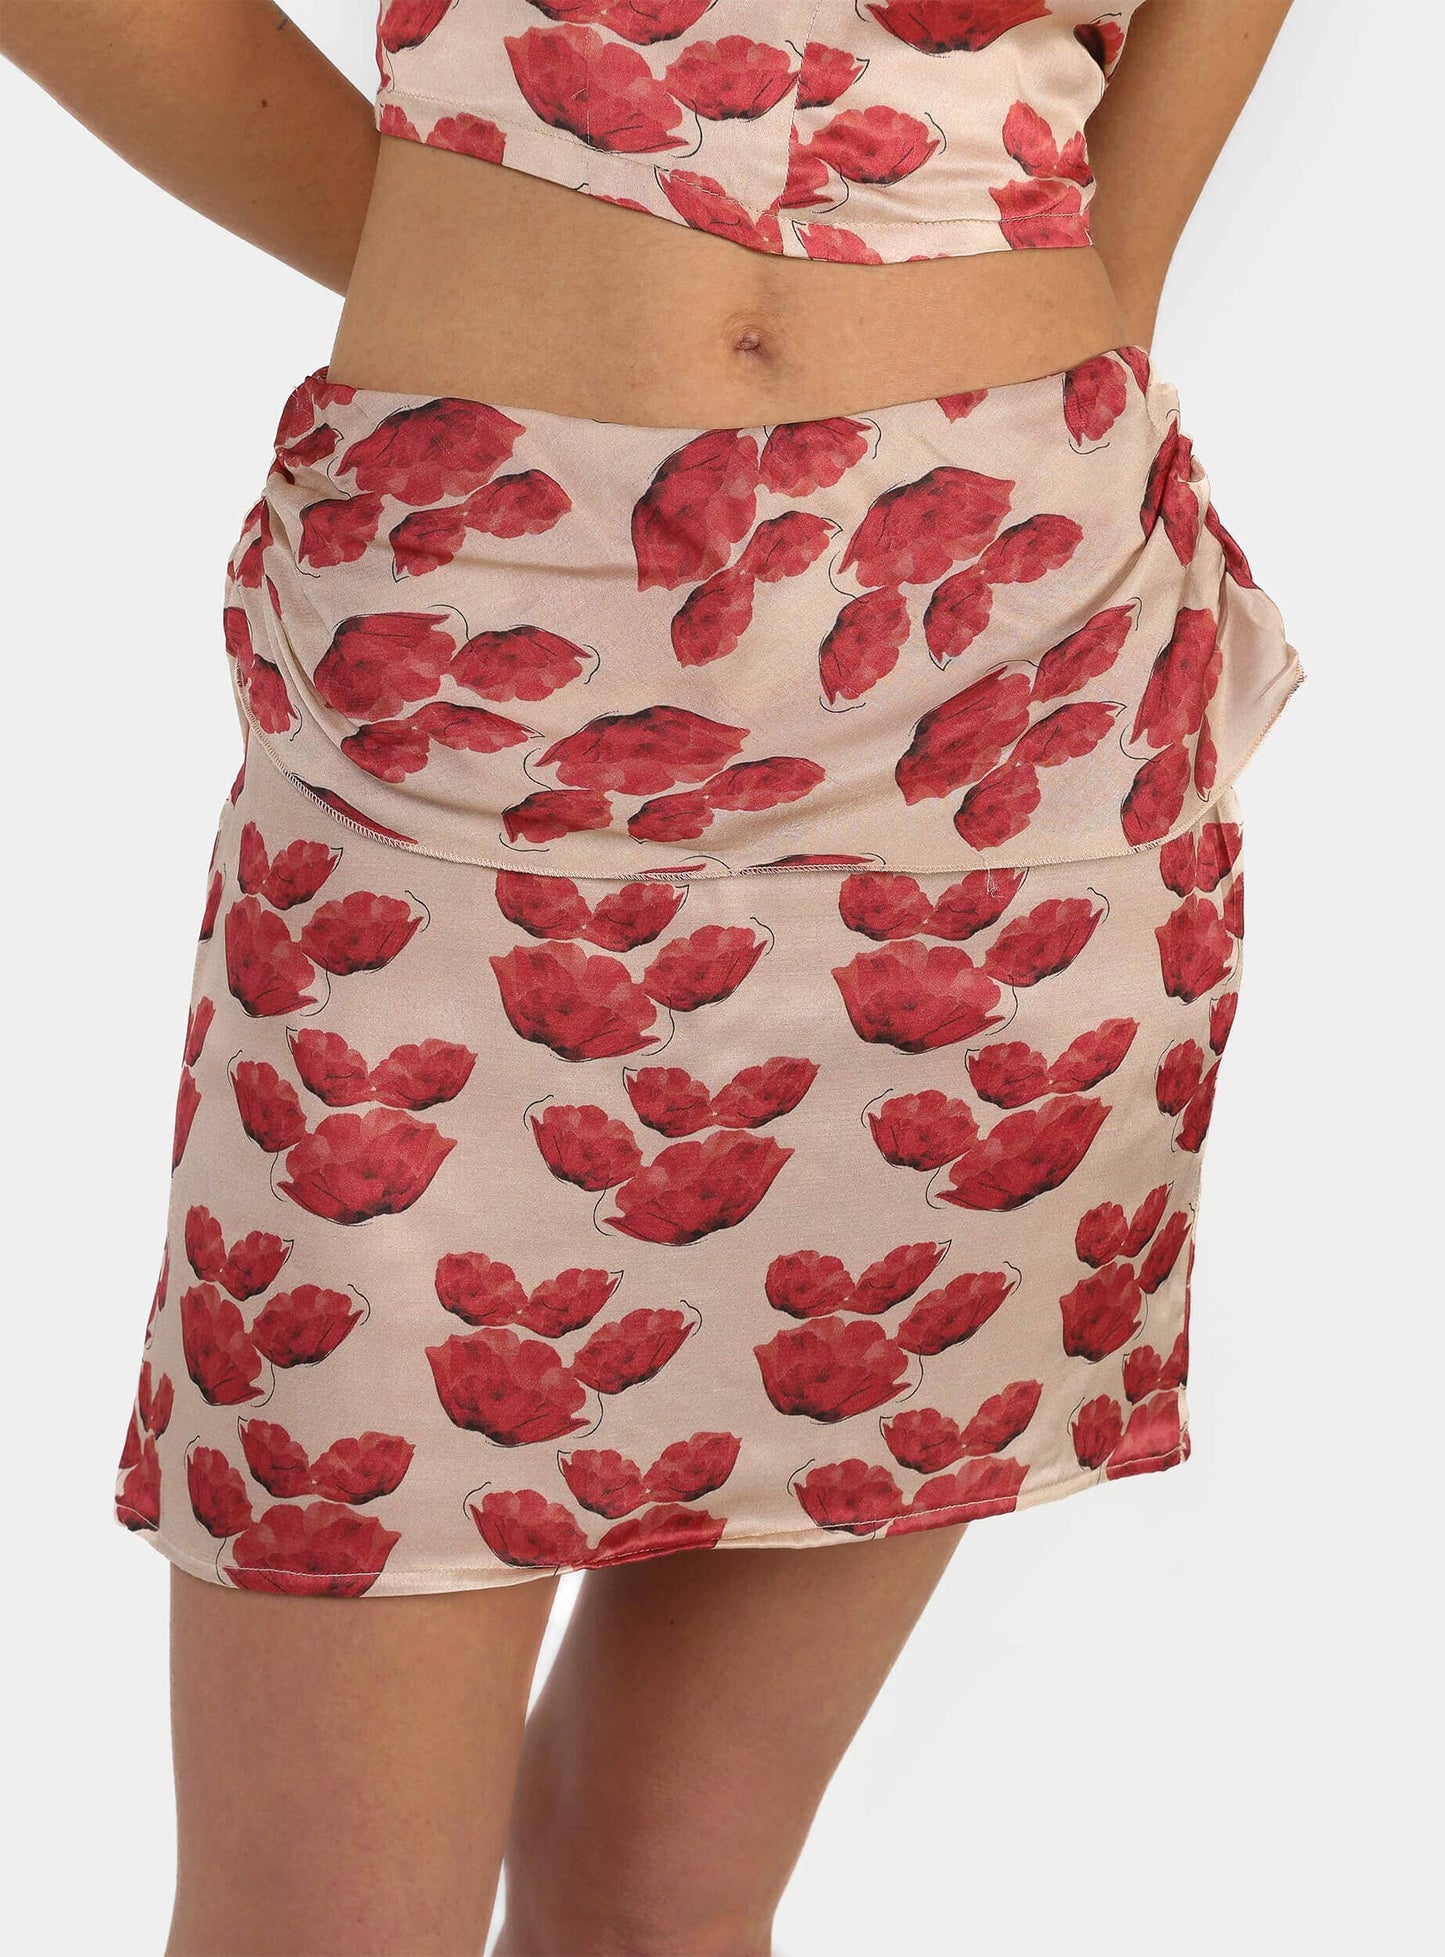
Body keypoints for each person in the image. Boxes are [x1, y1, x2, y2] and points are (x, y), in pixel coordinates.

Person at [2, 4, 1301, 1953]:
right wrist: (472, 245)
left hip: (1011, 722)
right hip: (465, 684)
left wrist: (1090, 323)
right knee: (316, 1920)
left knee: (667, 1887)